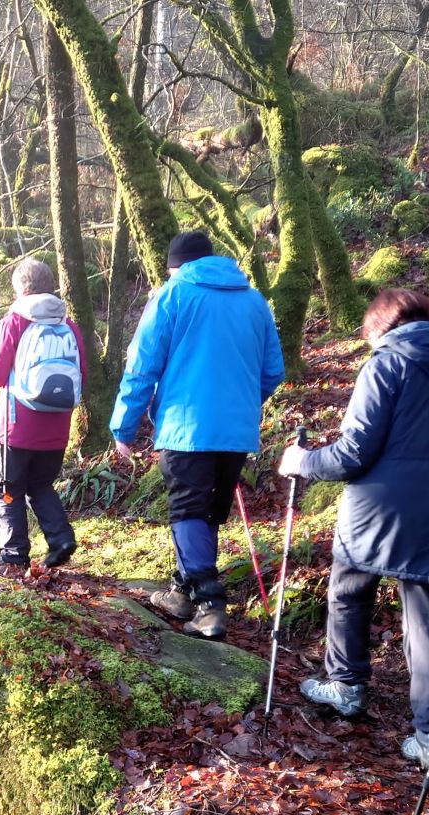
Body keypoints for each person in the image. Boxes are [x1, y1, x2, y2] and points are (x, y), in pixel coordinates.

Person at [276, 290, 429, 768]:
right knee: (427, 622)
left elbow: (353, 453)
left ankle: (346, 683)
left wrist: (303, 461)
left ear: (378, 329)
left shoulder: (386, 364)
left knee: (349, 587)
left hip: (380, 505)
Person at [111, 231, 284, 638]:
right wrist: (241, 403)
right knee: (209, 512)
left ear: (177, 266)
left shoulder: (172, 296)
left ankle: (209, 605)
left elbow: (141, 366)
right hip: (236, 430)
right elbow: (273, 370)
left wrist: (124, 426)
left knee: (188, 510)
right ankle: (183, 591)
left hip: (185, 425)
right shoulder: (254, 300)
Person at [0, 257, 85, 568]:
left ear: (20, 289)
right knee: (40, 484)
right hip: (57, 426)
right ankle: (61, 538)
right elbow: (83, 373)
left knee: (8, 489)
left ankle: (13, 556)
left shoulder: (15, 320)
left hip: (17, 426)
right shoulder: (68, 325)